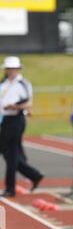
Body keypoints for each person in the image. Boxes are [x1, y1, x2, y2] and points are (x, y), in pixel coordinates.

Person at [0, 56, 44, 197]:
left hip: (16, 119)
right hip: (4, 120)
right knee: (8, 153)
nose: (11, 71)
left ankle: (10, 188)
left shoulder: (23, 84)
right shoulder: (3, 83)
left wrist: (16, 106)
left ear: (18, 69)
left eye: (13, 68)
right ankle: (34, 175)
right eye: (9, 68)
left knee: (11, 154)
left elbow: (28, 103)